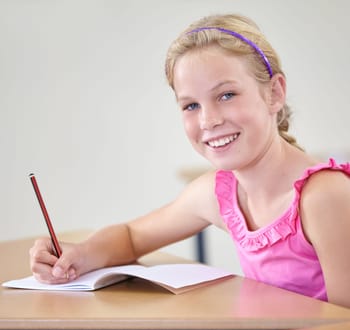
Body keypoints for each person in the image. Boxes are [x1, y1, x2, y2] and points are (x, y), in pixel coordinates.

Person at [29, 14, 350, 308]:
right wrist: (79, 255)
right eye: (191, 106)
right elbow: (131, 237)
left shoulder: (325, 197)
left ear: (274, 93)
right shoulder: (219, 194)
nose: (209, 120)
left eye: (227, 95)